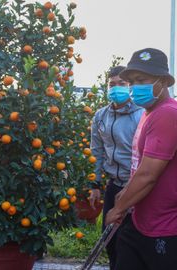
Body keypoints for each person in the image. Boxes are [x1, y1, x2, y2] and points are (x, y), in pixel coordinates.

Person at [106, 48, 177, 270]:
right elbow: (139, 165)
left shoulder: (167, 113)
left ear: (164, 81)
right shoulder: (149, 112)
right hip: (140, 220)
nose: (135, 87)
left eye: (142, 80)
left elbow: (148, 175)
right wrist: (126, 193)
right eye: (133, 82)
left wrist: (117, 209)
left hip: (162, 227)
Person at [89, 66, 143, 269]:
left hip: (136, 187)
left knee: (130, 243)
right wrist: (95, 184)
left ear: (129, 86)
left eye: (122, 83)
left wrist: (134, 185)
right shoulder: (100, 116)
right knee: (110, 240)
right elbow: (96, 153)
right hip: (114, 186)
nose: (117, 88)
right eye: (112, 84)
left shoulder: (140, 115)